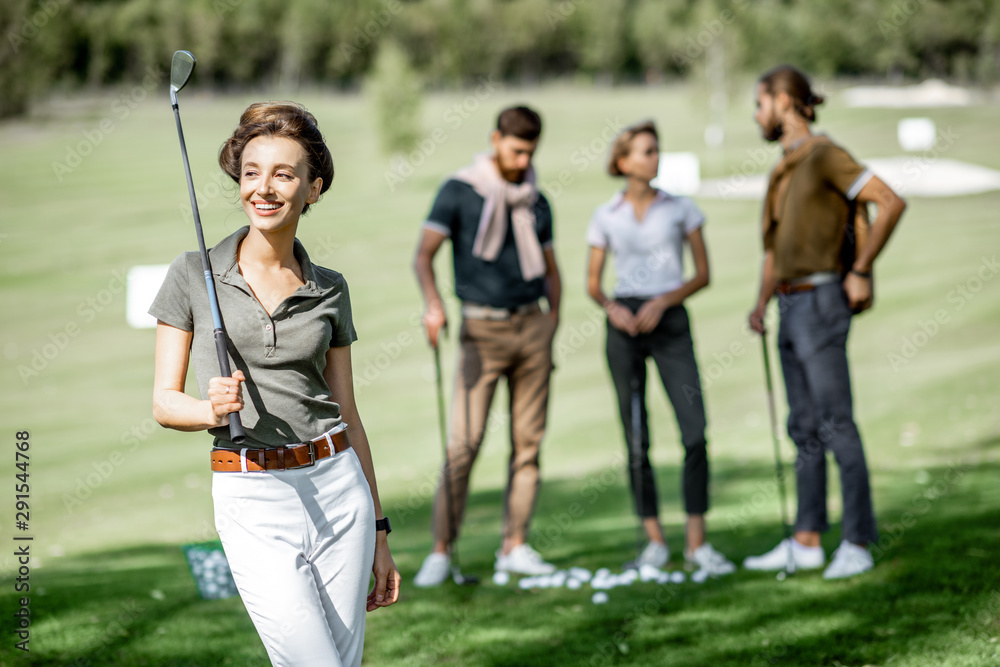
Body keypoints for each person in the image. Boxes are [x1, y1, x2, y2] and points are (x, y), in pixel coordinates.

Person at [150, 102, 400, 666]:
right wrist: (210, 410)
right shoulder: (193, 274)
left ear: (313, 189)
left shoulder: (330, 288)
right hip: (251, 494)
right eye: (251, 172)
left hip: (340, 490)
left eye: (284, 174)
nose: (264, 188)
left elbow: (349, 416)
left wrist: (380, 531)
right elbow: (165, 402)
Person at [743, 65, 906, 579]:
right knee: (803, 428)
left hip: (821, 300)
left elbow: (889, 201)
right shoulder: (783, 167)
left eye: (760, 103)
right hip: (788, 306)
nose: (756, 114)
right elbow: (773, 250)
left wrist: (860, 269)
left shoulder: (823, 155)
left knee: (836, 423)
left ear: (786, 101)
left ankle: (856, 541)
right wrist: (760, 301)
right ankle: (807, 539)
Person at [412, 106, 562, 586]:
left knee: (528, 446)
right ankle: (441, 550)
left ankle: (514, 547)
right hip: (481, 331)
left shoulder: (537, 200)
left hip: (532, 328)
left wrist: (551, 325)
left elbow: (553, 271)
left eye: (530, 152)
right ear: (496, 139)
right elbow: (423, 257)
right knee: (464, 444)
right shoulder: (459, 191)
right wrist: (434, 305)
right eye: (516, 149)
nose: (522, 161)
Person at [586, 120, 736, 576]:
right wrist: (613, 308)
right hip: (624, 326)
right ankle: (654, 541)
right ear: (623, 161)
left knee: (694, 432)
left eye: (656, 150)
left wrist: (664, 301)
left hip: (669, 321)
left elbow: (703, 273)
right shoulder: (605, 215)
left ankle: (697, 544)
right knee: (636, 439)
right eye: (645, 151)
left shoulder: (681, 209)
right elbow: (593, 285)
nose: (654, 158)